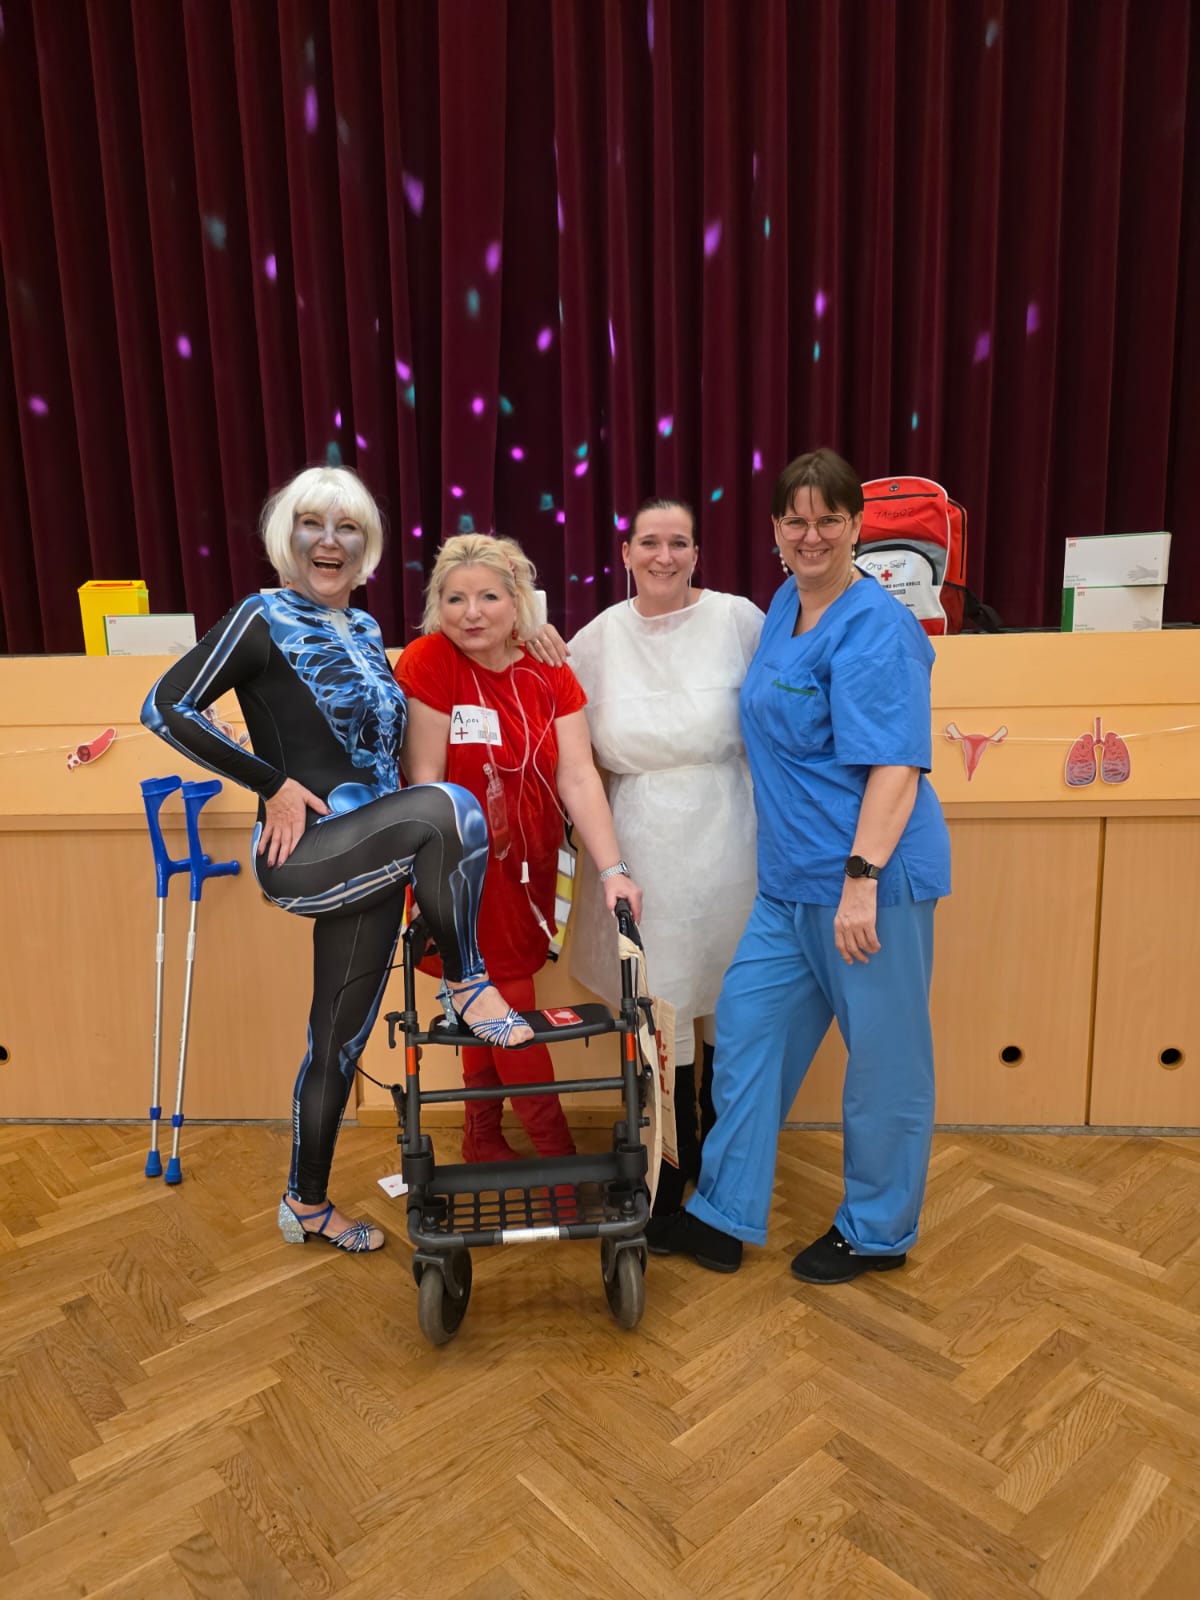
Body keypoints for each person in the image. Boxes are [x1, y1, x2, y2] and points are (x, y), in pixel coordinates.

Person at [142, 466, 530, 1253]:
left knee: (339, 1043)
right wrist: (271, 782)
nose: (330, 540)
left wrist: (534, 633)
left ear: (366, 546)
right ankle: (466, 984)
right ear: (287, 538)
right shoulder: (260, 616)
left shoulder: (363, 628)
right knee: (449, 804)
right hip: (308, 852)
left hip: (373, 851)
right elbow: (165, 706)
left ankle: (306, 1203)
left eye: (348, 527)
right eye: (313, 524)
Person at [645, 448, 951, 1282]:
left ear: (857, 525)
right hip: (788, 885)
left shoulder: (877, 627)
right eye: (795, 521)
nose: (811, 536)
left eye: (828, 520)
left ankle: (877, 1232)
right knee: (747, 1035)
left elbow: (897, 766)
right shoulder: (786, 603)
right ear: (776, 529)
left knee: (883, 1063)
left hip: (870, 883)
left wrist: (861, 882)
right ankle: (723, 1211)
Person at [532, 499, 763, 1213]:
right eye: (651, 542)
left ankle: (724, 1153)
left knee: (730, 992)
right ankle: (670, 1150)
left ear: (697, 553)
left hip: (732, 832)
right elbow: (546, 710)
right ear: (626, 552)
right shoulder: (597, 638)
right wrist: (527, 630)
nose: (665, 556)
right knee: (659, 995)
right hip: (637, 840)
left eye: (680, 543)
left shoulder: (738, 620)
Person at [396, 534, 643, 1163]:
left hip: (530, 872)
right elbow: (424, 783)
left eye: (488, 597)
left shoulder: (547, 668)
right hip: (460, 875)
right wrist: (435, 888)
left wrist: (614, 870)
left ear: (517, 603)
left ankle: (482, 1136)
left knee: (488, 1001)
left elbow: (578, 777)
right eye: (454, 599)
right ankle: (557, 1158)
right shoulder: (430, 660)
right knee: (505, 1008)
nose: (471, 613)